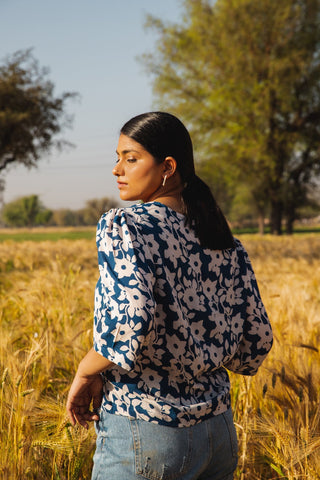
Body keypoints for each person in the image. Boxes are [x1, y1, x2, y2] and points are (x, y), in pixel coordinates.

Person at [66, 111, 273, 480]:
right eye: (117, 158)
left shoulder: (126, 226)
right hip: (219, 433)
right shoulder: (224, 241)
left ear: (168, 167)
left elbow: (130, 321)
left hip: (147, 429)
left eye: (131, 158)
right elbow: (257, 341)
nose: (117, 170)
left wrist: (85, 371)